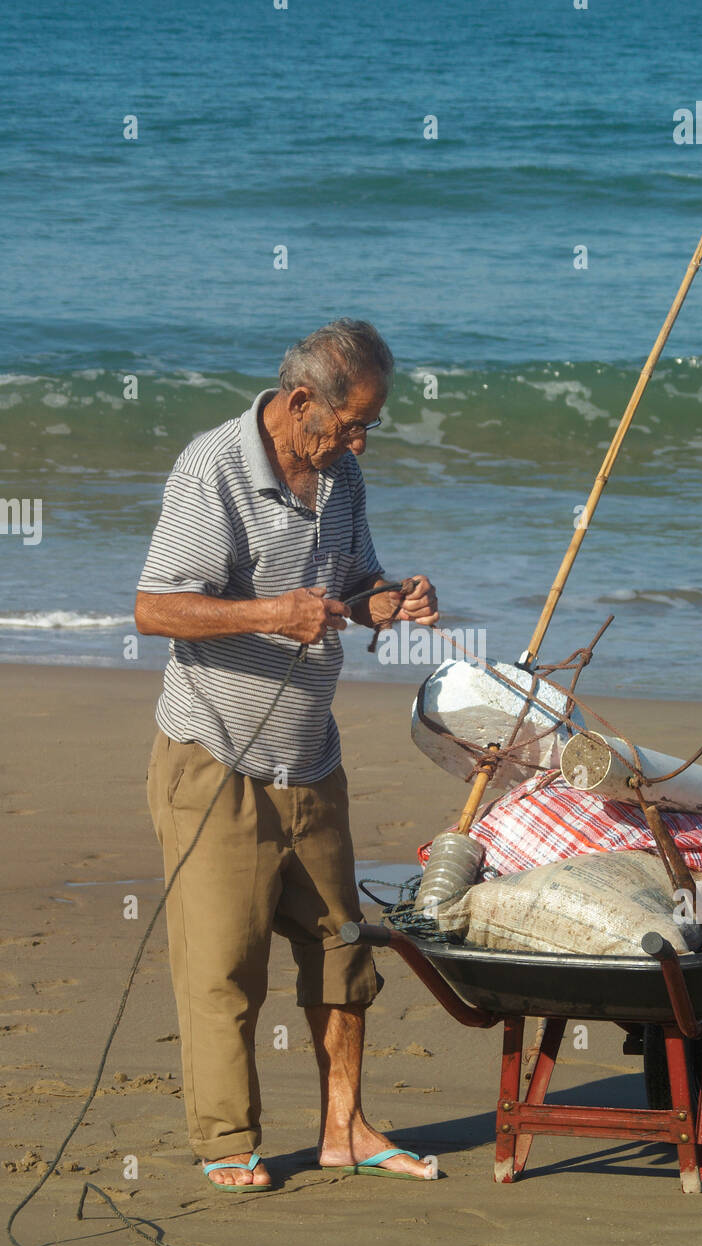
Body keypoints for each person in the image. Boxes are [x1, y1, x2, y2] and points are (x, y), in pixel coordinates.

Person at [135, 319, 438, 1187]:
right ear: (301, 400)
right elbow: (155, 608)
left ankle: (345, 1129)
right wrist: (272, 612)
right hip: (214, 757)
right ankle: (228, 1143)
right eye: (351, 424)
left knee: (343, 952)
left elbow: (353, 585)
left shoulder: (341, 476)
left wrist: (391, 600)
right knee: (224, 966)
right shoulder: (213, 469)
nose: (360, 442)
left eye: (369, 425)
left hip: (311, 757)